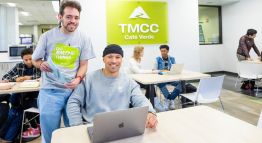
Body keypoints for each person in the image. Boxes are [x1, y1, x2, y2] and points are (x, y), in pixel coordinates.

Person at [32, 1, 95, 143]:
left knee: (73, 131)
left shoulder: (84, 38)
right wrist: (41, 64)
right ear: (60, 17)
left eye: (76, 17)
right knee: (50, 135)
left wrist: (78, 79)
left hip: (73, 92)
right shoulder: (47, 37)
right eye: (69, 17)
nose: (73, 21)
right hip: (50, 91)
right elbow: (35, 60)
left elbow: (84, 65)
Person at [67, 44, 157, 129]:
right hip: (93, 126)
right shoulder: (89, 79)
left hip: (121, 127)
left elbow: (140, 99)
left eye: (118, 57)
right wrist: (77, 125)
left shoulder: (128, 81)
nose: (114, 61)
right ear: (103, 59)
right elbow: (73, 101)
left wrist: (149, 112)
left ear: (122, 59)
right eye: (110, 57)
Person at [0, 48, 41, 143]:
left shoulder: (38, 65)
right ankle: (7, 136)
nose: (28, 62)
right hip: (21, 96)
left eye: (30, 59)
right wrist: (15, 79)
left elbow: (41, 76)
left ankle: (8, 137)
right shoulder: (19, 66)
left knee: (16, 108)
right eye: (26, 60)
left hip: (33, 97)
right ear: (22, 59)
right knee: (14, 107)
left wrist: (28, 77)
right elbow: (6, 77)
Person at [153, 45, 182, 110]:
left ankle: (170, 99)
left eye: (164, 51)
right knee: (161, 84)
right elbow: (153, 70)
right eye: (161, 51)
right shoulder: (157, 59)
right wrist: (162, 71)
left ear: (168, 51)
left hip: (171, 78)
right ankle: (169, 100)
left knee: (180, 83)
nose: (163, 52)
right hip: (161, 79)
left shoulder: (172, 59)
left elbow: (175, 68)